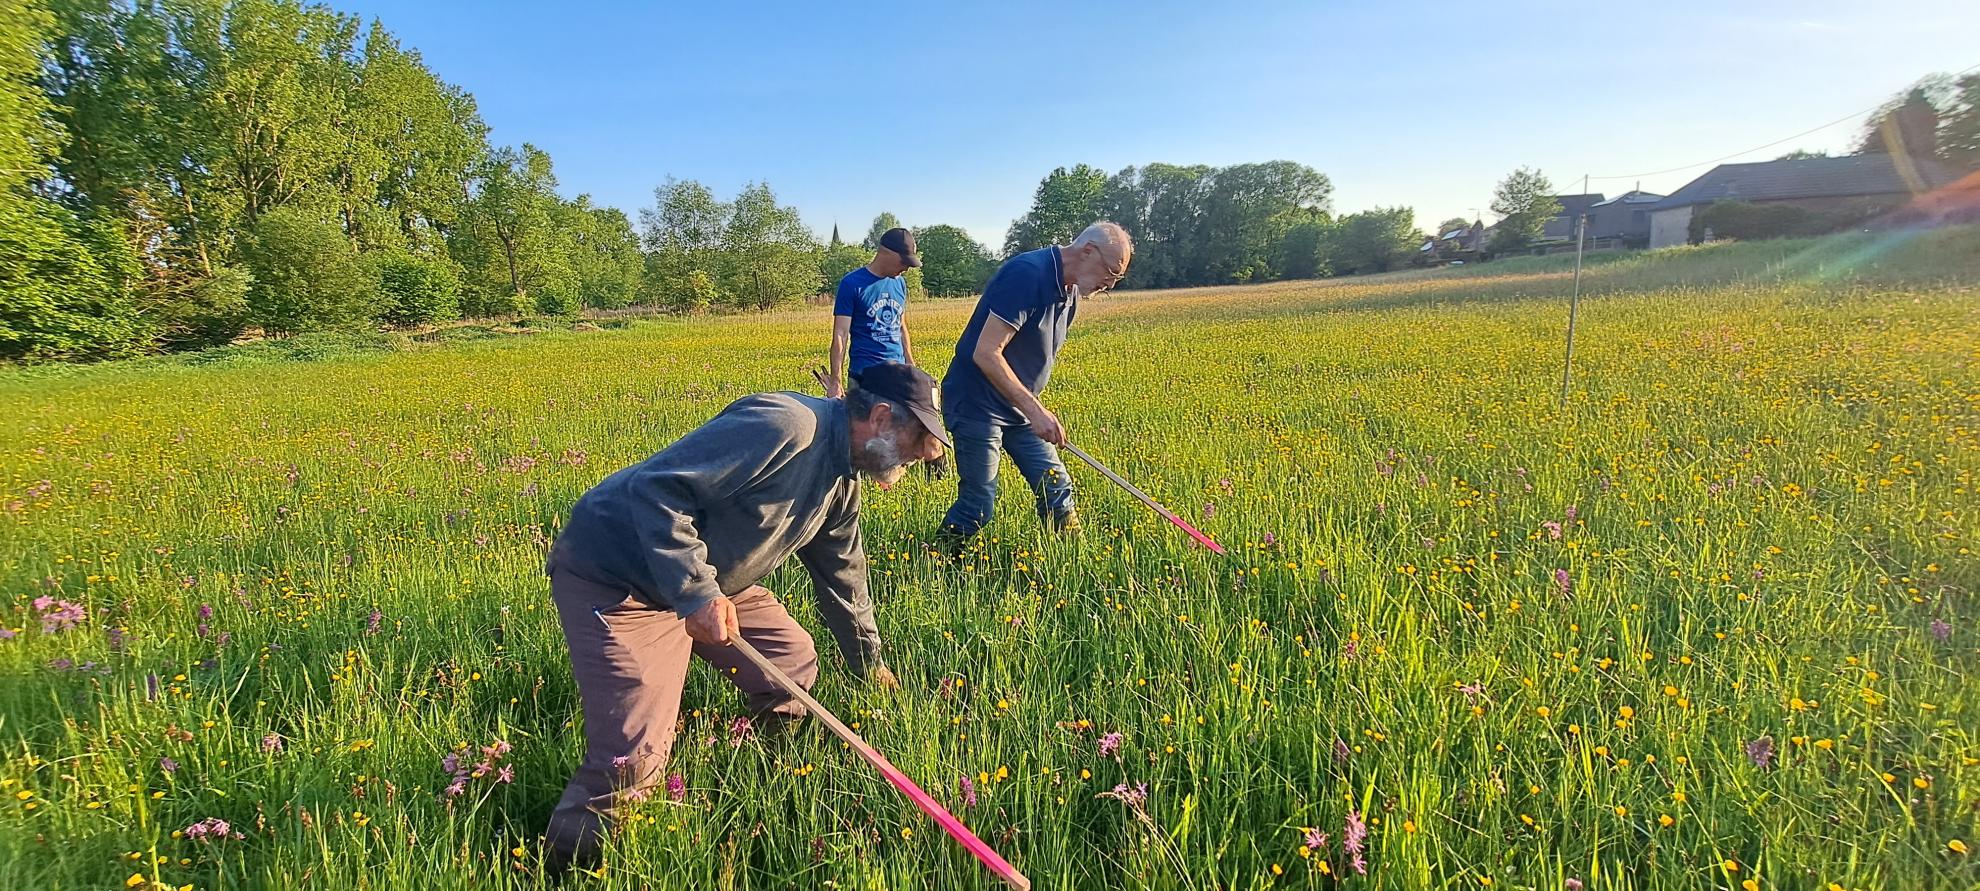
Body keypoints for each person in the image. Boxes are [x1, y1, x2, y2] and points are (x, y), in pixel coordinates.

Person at [542, 363, 948, 870]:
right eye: (918, 439)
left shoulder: (842, 483)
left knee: (790, 662)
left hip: (705, 581)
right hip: (622, 580)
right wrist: (696, 595)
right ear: (882, 416)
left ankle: (753, 764)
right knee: (633, 761)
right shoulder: (785, 427)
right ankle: (564, 866)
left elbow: (845, 579)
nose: (919, 456)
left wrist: (870, 662)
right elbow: (655, 490)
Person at [937, 221, 1132, 546]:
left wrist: (1031, 408)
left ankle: (1071, 561)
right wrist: (1035, 410)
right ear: (1087, 251)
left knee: (1056, 486)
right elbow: (985, 353)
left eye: (1117, 278)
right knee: (979, 505)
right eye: (1111, 271)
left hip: (1018, 409)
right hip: (977, 406)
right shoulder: (1027, 274)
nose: (1109, 284)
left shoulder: (1070, 293)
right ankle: (937, 563)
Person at [820, 227, 920, 398]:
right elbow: (840, 334)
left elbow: (901, 327)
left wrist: (910, 364)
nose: (906, 268)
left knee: (900, 424)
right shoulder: (851, 283)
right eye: (904, 262)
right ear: (887, 253)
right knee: (864, 424)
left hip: (898, 374)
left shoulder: (900, 284)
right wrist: (836, 381)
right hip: (865, 377)